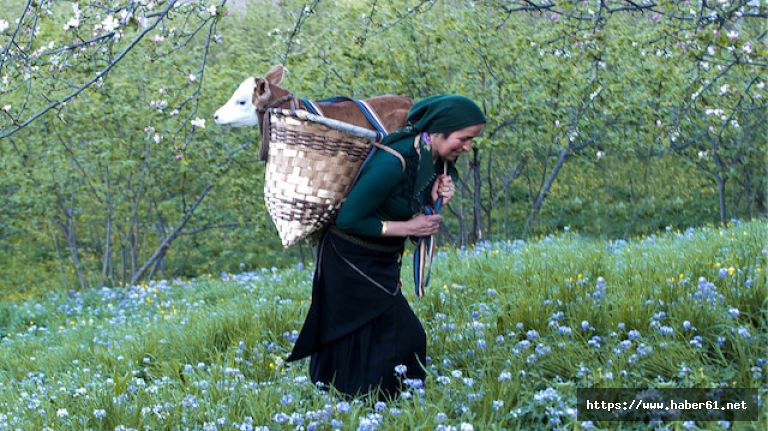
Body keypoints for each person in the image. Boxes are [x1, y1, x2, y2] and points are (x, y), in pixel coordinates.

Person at [286, 94, 486, 398]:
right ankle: (376, 403)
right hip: (349, 257)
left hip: (380, 258)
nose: (468, 146)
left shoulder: (432, 161)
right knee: (403, 335)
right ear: (440, 130)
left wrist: (434, 199)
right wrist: (408, 227)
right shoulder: (396, 159)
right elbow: (348, 219)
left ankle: (355, 401)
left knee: (368, 334)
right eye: (464, 138)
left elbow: (408, 207)